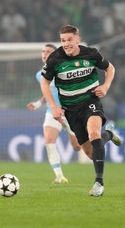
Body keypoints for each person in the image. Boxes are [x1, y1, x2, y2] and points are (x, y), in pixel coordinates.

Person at [40, 25, 122, 196]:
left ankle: (99, 183)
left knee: (94, 134)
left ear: (78, 39)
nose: (66, 44)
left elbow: (110, 68)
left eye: (70, 40)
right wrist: (54, 107)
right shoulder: (55, 59)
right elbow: (44, 82)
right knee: (90, 153)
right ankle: (109, 134)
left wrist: (105, 86)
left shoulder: (91, 54)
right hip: (71, 110)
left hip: (90, 102)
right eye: (63, 40)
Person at [27, 44, 81, 184]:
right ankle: (59, 176)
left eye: (48, 52)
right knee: (49, 142)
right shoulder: (40, 75)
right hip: (52, 112)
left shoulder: (65, 70)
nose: (44, 54)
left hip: (70, 113)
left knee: (77, 147)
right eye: (43, 52)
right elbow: (48, 93)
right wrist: (38, 104)